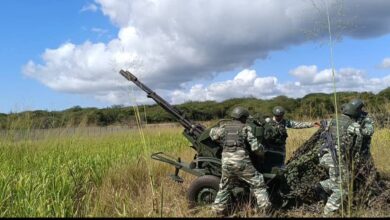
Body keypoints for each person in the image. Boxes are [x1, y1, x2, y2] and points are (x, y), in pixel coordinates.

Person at [209, 106, 271, 216]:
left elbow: (212, 134)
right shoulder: (245, 128)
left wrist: (222, 141)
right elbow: (255, 148)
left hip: (226, 161)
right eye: (245, 118)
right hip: (241, 162)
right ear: (242, 117)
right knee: (258, 183)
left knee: (225, 187)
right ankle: (265, 210)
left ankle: (217, 211)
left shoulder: (223, 127)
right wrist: (263, 153)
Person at [315, 103, 363, 216]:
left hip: (325, 156)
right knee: (342, 190)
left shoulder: (333, 120)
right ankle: (327, 214)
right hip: (336, 159)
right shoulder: (353, 125)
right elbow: (359, 140)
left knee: (341, 181)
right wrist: (355, 155)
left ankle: (322, 186)